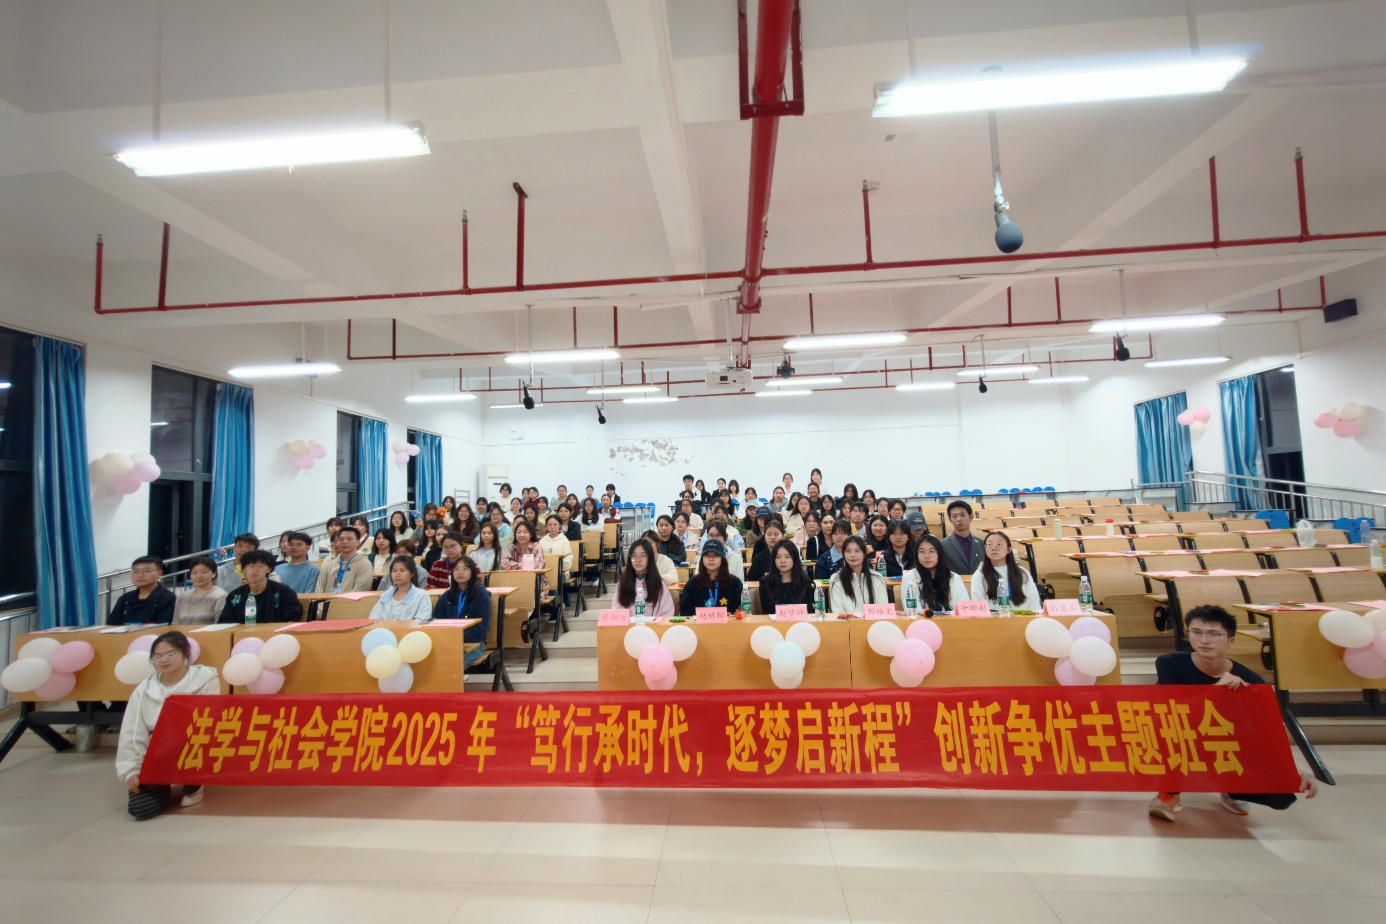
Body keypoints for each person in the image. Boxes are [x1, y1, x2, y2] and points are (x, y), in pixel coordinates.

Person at [1148, 605, 1319, 822]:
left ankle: (1231, 786)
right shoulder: (1169, 664)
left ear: (1231, 641)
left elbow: (1264, 733)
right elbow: (1171, 712)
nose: (1204, 640)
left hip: (1224, 742)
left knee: (1281, 796)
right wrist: (1216, 690)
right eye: (1196, 633)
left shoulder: (1251, 680)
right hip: (1181, 733)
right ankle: (1169, 792)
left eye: (1214, 634)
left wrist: (1290, 771)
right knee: (1170, 731)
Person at [117, 631, 220, 818]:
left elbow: (212, 718)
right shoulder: (145, 688)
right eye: (157, 656)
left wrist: (187, 704)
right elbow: (132, 730)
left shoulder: (206, 679)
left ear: (185, 652)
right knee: (141, 809)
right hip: (158, 753)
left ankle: (194, 784)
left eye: (170, 654)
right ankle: (162, 783)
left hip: (192, 746)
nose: (164, 660)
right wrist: (132, 770)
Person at [432, 556, 492, 667]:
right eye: (456, 569)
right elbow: (437, 620)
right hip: (448, 641)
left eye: (465, 569)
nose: (460, 572)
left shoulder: (481, 594)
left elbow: (483, 626)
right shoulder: (447, 595)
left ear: (472, 572)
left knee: (455, 664)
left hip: (473, 642)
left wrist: (460, 638)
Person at [220, 551, 303, 622]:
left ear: (269, 569)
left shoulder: (284, 592)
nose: (255, 570)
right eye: (251, 566)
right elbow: (225, 622)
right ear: (244, 569)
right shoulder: (235, 596)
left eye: (261, 566)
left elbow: (292, 619)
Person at [970, 532, 1042, 612]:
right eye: (989, 544)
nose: (993, 548)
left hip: (1022, 616)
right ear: (985, 549)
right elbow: (979, 607)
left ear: (1009, 550)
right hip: (993, 618)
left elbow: (1034, 604)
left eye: (999, 544)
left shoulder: (1022, 572)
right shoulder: (979, 575)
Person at [901, 535, 967, 614]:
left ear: (939, 553)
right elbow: (912, 610)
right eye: (922, 552)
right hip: (923, 621)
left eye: (931, 551)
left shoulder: (954, 578)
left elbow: (964, 608)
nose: (927, 556)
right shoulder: (909, 578)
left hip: (952, 620)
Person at [679, 539, 744, 616]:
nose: (711, 559)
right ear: (702, 558)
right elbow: (685, 614)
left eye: (715, 555)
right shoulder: (692, 584)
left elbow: (741, 611)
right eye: (707, 555)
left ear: (722, 558)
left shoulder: (734, 583)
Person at [615, 539, 674, 619]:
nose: (638, 560)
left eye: (642, 555)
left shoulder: (658, 583)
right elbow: (617, 610)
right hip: (628, 626)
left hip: (653, 626)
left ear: (650, 558)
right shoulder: (623, 583)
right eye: (634, 556)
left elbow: (666, 612)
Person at [829, 536, 888, 614]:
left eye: (857, 551)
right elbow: (837, 610)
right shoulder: (836, 578)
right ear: (843, 554)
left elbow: (882, 608)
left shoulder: (877, 578)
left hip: (873, 621)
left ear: (864, 554)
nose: (852, 555)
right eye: (848, 551)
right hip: (846, 621)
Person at [109, 557, 176, 625]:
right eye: (135, 571)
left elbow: (164, 625)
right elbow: (111, 624)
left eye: (146, 571)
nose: (140, 575)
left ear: (159, 574)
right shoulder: (125, 598)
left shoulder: (168, 598)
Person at [760, 539, 814, 613]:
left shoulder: (805, 581)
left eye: (787, 557)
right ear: (773, 560)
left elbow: (808, 612)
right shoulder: (765, 582)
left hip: (799, 620)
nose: (782, 561)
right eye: (778, 557)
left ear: (794, 558)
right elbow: (765, 613)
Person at [314, 526, 373, 593]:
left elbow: (360, 589)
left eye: (349, 539)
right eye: (341, 539)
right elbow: (319, 589)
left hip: (350, 600)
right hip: (327, 599)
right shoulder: (329, 565)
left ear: (358, 542)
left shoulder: (365, 564)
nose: (344, 542)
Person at [171, 557, 227, 625]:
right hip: (181, 632)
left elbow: (220, 624)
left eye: (204, 572)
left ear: (214, 573)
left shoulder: (220, 596)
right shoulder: (182, 596)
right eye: (194, 573)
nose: (199, 576)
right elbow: (175, 622)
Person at [940, 500, 986, 576]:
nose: (959, 519)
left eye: (962, 515)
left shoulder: (982, 544)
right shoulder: (942, 545)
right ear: (950, 519)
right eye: (954, 516)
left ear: (971, 517)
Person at [502, 520, 548, 589]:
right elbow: (503, 564)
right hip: (515, 581)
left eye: (525, 532)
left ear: (531, 534)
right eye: (519, 532)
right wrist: (519, 565)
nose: (521, 535)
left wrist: (514, 566)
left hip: (535, 582)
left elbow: (536, 566)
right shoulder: (512, 546)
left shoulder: (537, 546)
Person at [539, 514, 574, 603]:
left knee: (554, 579)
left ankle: (556, 604)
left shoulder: (564, 540)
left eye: (555, 524)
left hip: (560, 572)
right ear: (546, 526)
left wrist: (558, 569)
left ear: (560, 525)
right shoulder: (542, 541)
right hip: (545, 572)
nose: (552, 527)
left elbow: (568, 559)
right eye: (549, 525)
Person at [747, 518, 787, 585]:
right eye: (769, 534)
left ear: (783, 536)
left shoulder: (790, 555)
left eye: (776, 534)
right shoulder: (758, 558)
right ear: (764, 537)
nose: (772, 537)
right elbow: (752, 579)